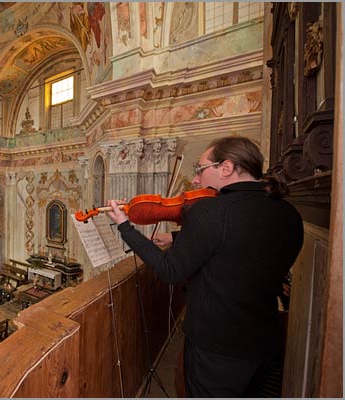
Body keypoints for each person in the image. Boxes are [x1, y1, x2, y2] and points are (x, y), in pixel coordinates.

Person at [106, 136, 304, 397]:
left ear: (227, 168)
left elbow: (170, 270)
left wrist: (125, 228)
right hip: (263, 342)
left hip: (215, 347)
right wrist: (177, 237)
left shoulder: (211, 211)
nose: (196, 180)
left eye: (200, 170)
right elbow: (240, 245)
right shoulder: (289, 214)